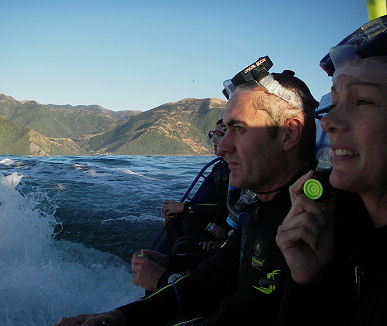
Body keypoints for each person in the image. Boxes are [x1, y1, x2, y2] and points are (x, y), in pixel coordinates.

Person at [53, 56, 319, 326]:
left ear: (289, 133)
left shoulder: (310, 223)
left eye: (239, 129)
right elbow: (212, 279)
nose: (223, 147)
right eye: (224, 130)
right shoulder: (262, 208)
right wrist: (119, 317)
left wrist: (161, 280)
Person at [276, 15, 387, 326]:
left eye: (363, 101)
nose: (327, 122)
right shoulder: (350, 239)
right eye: (332, 104)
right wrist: (306, 279)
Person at [161, 119, 231, 255]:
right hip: (212, 222)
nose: (214, 140)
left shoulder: (239, 171)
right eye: (212, 135)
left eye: (219, 134)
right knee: (174, 220)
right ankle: (177, 258)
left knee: (189, 223)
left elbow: (227, 208)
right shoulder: (218, 168)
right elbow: (207, 202)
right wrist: (177, 210)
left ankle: (184, 258)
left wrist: (184, 207)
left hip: (225, 227)